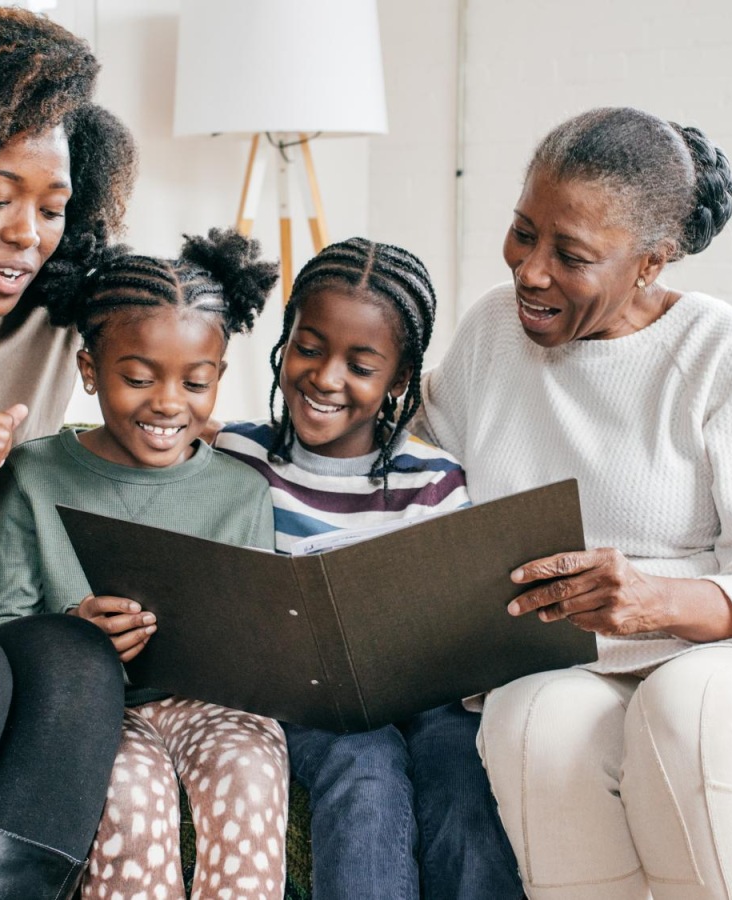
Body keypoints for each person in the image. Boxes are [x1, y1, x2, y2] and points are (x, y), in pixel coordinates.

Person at [411, 106, 732, 900]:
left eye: (571, 255)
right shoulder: (495, 331)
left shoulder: (729, 359)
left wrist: (654, 600)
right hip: (590, 669)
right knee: (528, 716)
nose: (531, 271)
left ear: (651, 262)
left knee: (685, 703)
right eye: (523, 232)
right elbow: (414, 455)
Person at [0, 228, 291, 900]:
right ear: (90, 371)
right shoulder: (34, 474)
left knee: (248, 767)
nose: (168, 403)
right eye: (138, 377)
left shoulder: (243, 491)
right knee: (127, 785)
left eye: (195, 382)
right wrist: (74, 629)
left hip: (210, 702)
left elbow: (258, 639)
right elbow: (1, 622)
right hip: (94, 710)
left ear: (219, 379)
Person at [214, 237, 524, 900]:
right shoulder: (236, 454)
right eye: (309, 347)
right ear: (284, 339)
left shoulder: (434, 481)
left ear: (400, 377)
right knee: (366, 763)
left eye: (361, 364)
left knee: (462, 776)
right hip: (304, 700)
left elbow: (460, 622)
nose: (326, 378)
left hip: (425, 696)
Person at [0, 4, 136, 897]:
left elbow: (181, 367)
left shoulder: (65, 320)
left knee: (77, 662)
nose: (27, 235)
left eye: (52, 208)